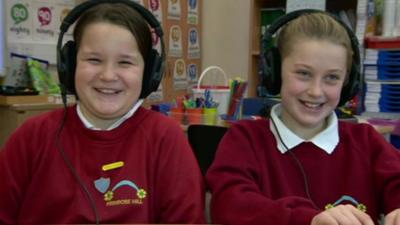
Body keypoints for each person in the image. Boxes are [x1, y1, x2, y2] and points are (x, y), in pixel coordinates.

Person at [0, 1, 205, 224]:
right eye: (94, 60)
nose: (108, 75)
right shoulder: (32, 137)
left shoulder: (166, 139)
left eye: (125, 62)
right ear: (69, 65)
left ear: (149, 74)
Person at [206, 11, 400, 225]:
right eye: (304, 74)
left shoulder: (366, 142)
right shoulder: (245, 139)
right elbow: (228, 206)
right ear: (275, 71)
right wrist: (308, 220)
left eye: (332, 78)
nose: (316, 91)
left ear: (348, 82)